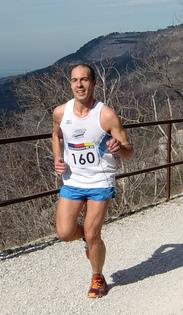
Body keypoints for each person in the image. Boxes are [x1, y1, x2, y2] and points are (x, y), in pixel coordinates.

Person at [52, 63, 133, 298]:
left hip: (100, 181)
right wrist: (58, 158)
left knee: (92, 231)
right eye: (75, 80)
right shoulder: (60, 112)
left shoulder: (105, 114)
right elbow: (56, 135)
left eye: (84, 80)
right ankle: (89, 242)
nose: (79, 84)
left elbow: (129, 151)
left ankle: (97, 277)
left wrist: (119, 148)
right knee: (65, 232)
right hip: (73, 180)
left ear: (93, 83)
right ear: (70, 84)